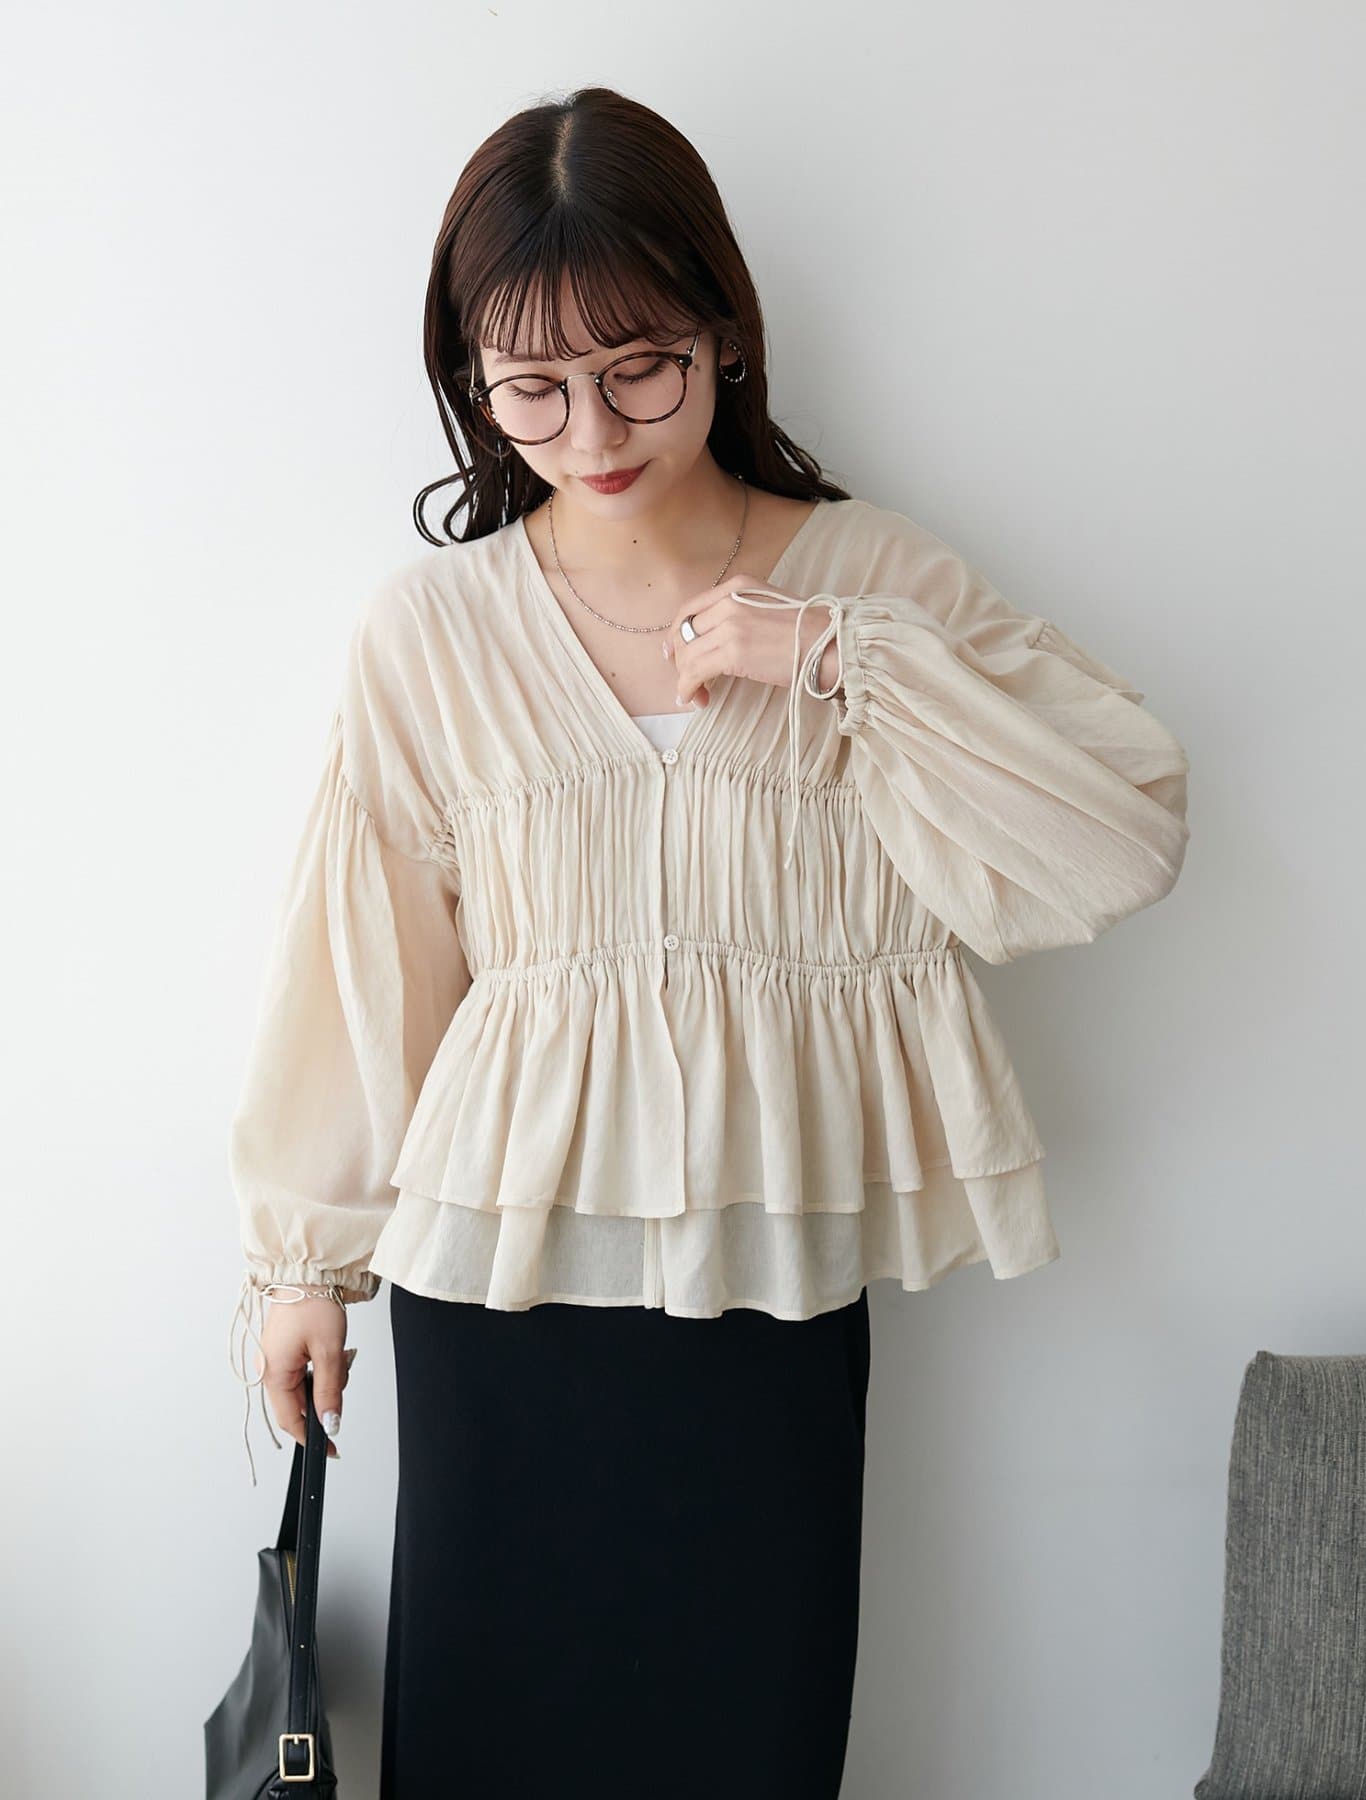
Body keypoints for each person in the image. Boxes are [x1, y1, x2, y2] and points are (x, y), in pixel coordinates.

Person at [224, 85, 1192, 1800]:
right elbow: (366, 959)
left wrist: (832, 658)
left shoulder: (875, 583)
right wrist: (306, 1259)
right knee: (489, 1738)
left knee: (752, 1730)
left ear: (725, 334)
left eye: (640, 370)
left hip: (770, 1272)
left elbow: (1117, 832)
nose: (591, 429)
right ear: (470, 377)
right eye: (532, 386)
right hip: (499, 1295)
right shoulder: (431, 634)